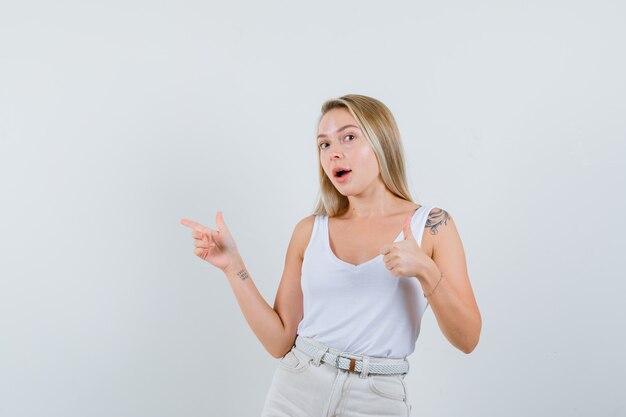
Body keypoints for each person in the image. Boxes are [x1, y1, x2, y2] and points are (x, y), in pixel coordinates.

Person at [180, 94, 481, 417]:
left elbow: (468, 339)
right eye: (324, 144)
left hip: (376, 398)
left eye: (349, 137)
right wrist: (232, 266)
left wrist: (426, 270)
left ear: (382, 143)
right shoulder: (309, 231)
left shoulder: (432, 226)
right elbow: (279, 340)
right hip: (295, 389)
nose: (333, 152)